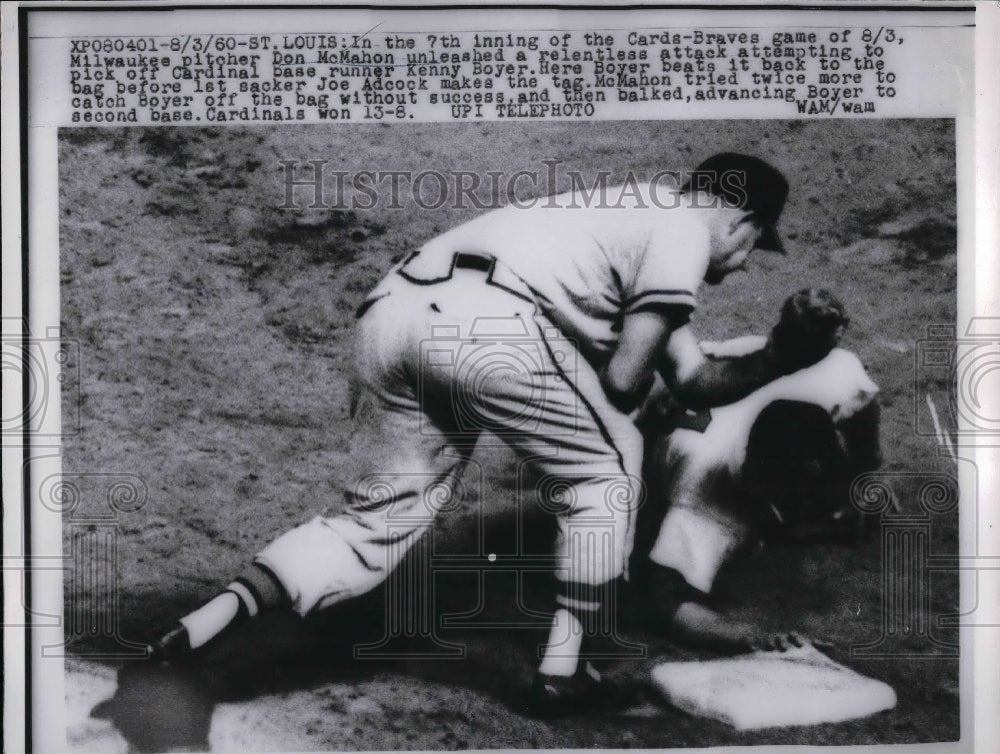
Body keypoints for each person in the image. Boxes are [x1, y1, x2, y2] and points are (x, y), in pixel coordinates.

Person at [142, 153, 836, 716]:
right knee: (608, 468)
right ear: (741, 219)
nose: (743, 263)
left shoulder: (621, 216)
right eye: (753, 246)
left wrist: (781, 355)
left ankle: (203, 625)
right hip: (484, 323)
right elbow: (629, 385)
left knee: (374, 520)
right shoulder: (683, 228)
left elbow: (690, 379)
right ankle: (567, 673)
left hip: (390, 318)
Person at [634, 303, 882, 653]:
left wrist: (866, 472)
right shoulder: (704, 504)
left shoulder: (834, 373)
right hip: (653, 391)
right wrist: (747, 635)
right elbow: (662, 602)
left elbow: (864, 403)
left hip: (729, 360)